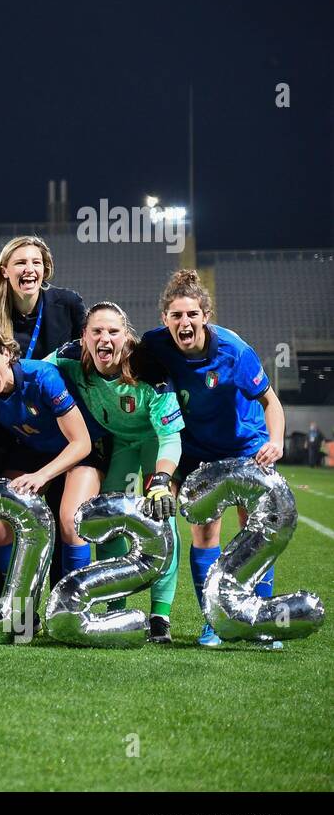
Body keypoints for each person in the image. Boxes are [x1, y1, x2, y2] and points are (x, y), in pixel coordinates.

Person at [141, 269, 286, 648]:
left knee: (257, 530)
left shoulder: (234, 351)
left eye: (192, 314)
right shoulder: (154, 345)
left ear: (205, 315)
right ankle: (214, 621)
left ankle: (259, 621)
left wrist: (276, 441)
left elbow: (271, 402)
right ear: (165, 319)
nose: (184, 322)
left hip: (246, 447)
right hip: (196, 453)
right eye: (176, 315)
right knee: (204, 534)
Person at [45, 303, 184, 643]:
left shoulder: (149, 367)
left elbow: (170, 437)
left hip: (154, 440)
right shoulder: (69, 357)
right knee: (106, 519)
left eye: (113, 332)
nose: (104, 338)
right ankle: (115, 605)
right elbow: (33, 373)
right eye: (96, 331)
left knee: (161, 517)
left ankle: (160, 616)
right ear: (84, 336)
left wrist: (162, 480)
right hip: (118, 442)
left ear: (126, 336)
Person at [0, 325, 107, 589]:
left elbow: (81, 443)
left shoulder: (43, 377)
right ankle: (19, 601)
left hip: (84, 448)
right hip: (37, 450)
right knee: (1, 519)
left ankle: (73, 602)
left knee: (71, 521)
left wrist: (41, 476)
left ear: (6, 354)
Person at [0, 236, 84, 361]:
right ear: (4, 272)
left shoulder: (68, 304)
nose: (30, 269)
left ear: (44, 269)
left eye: (36, 262)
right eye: (21, 263)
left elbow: (85, 353)